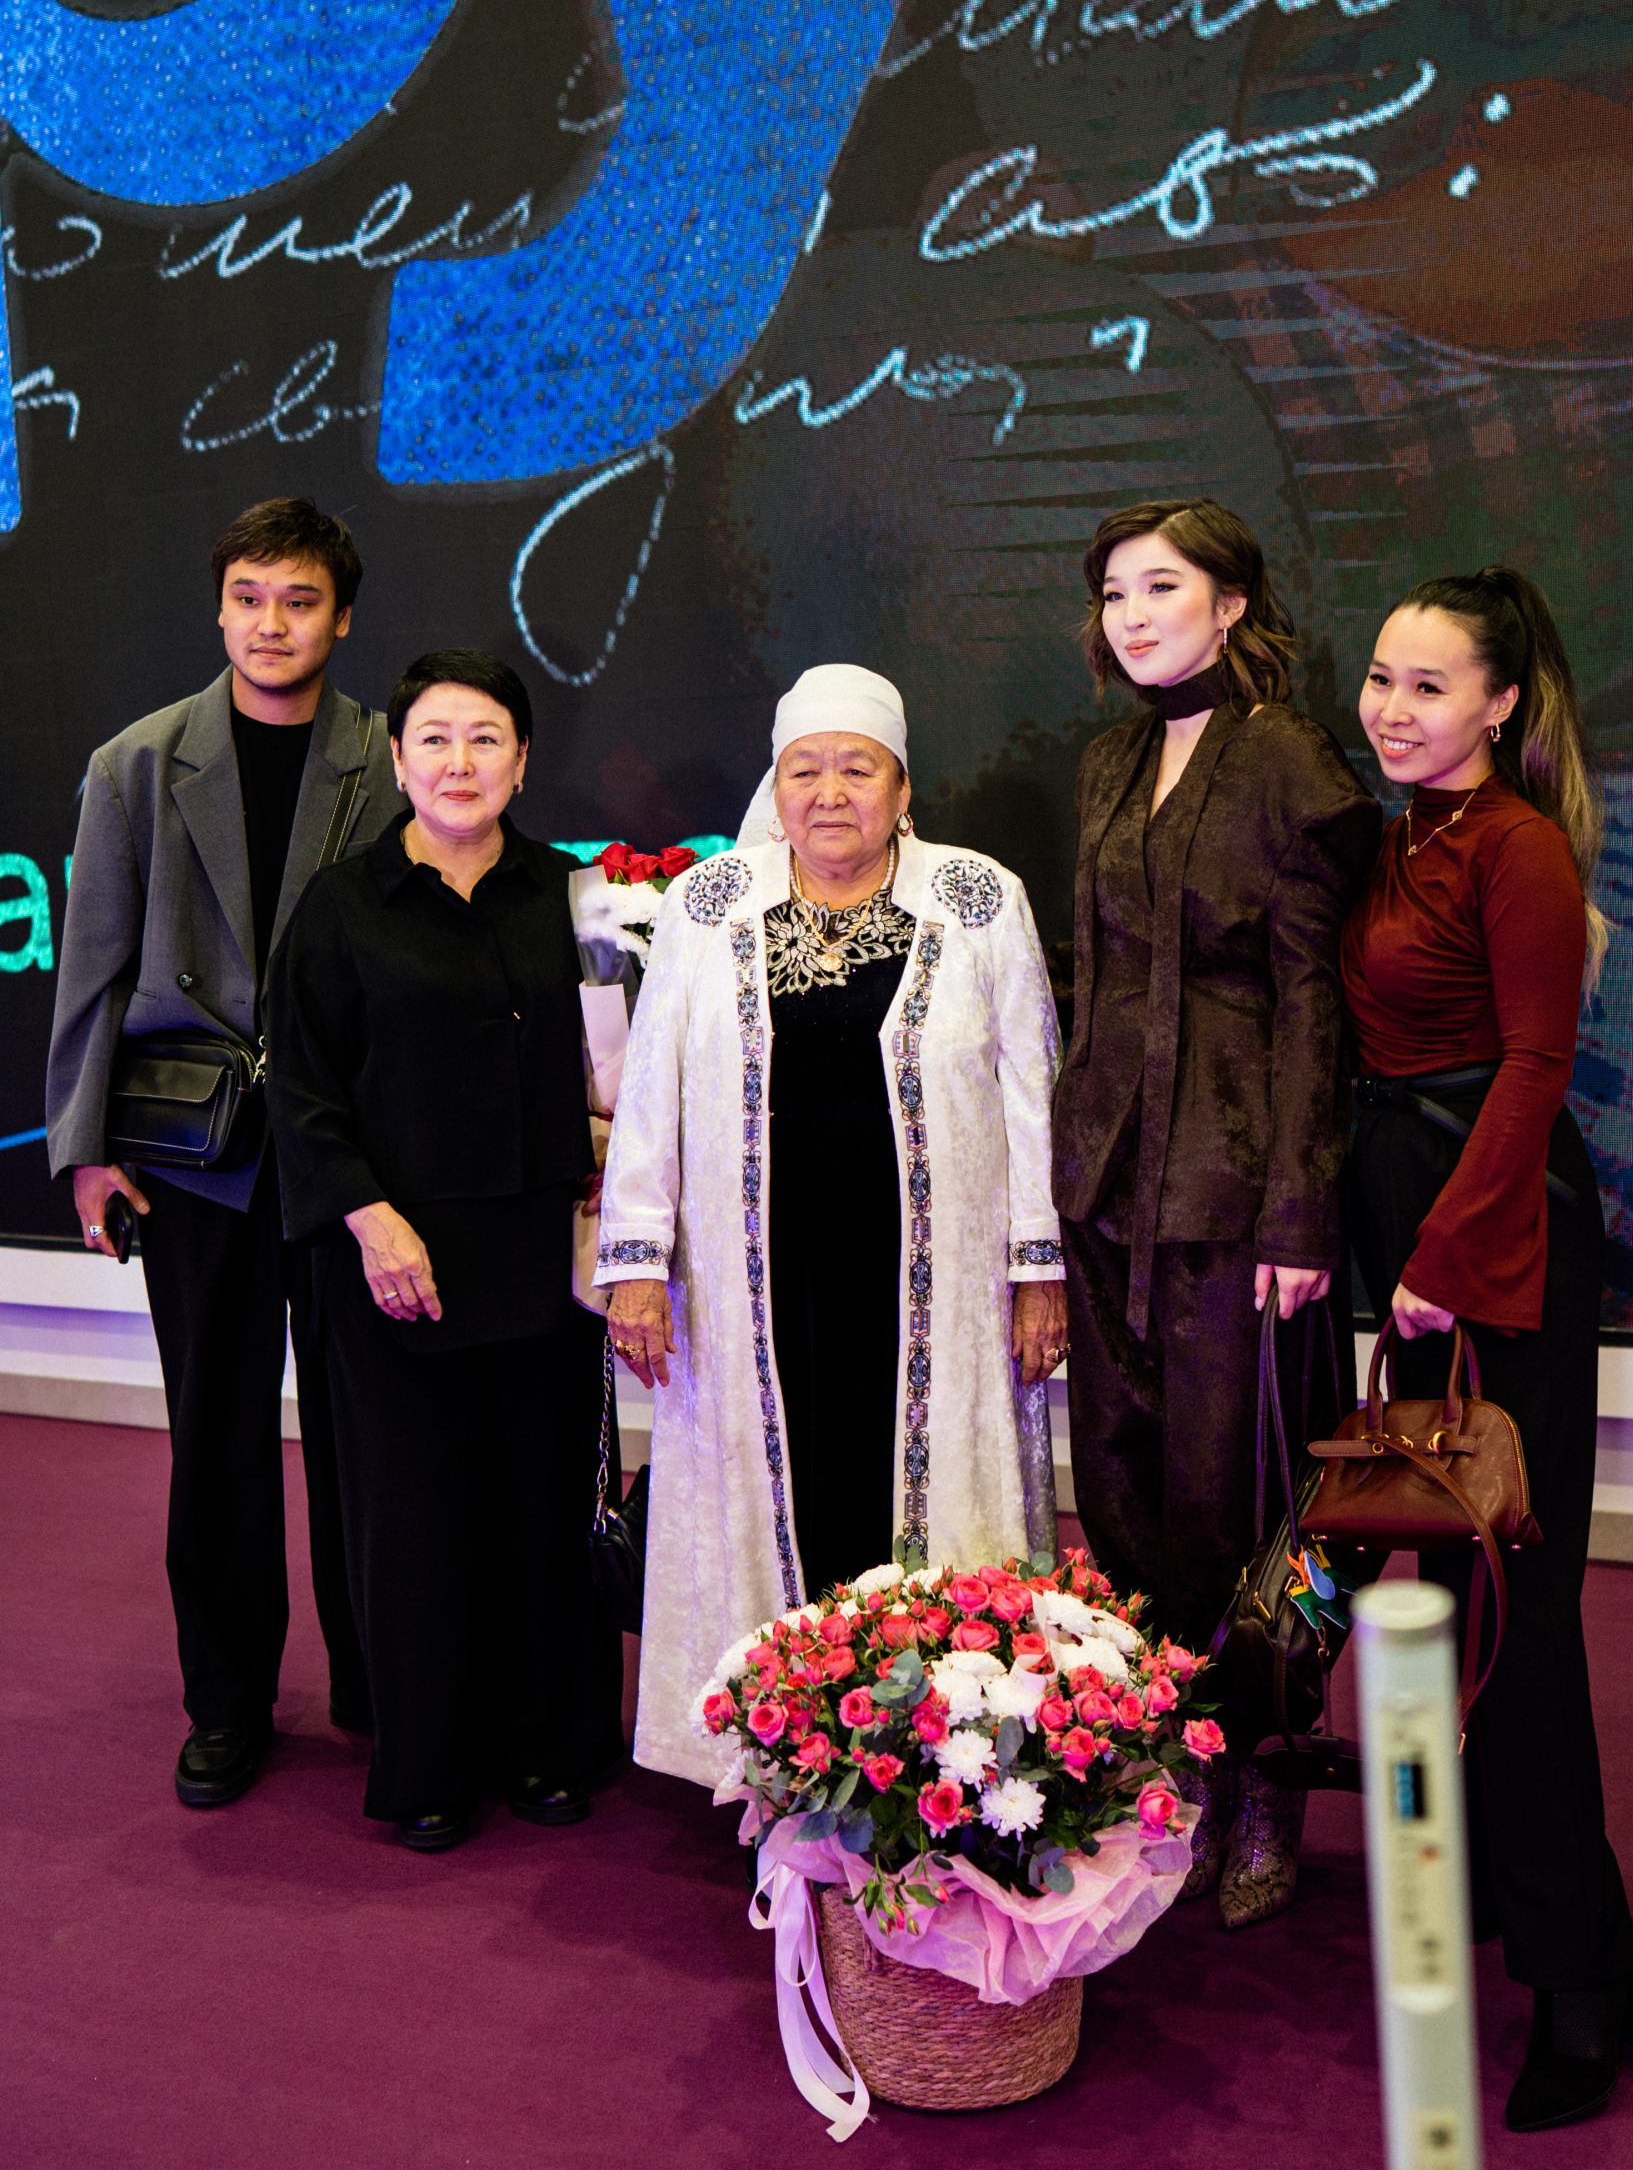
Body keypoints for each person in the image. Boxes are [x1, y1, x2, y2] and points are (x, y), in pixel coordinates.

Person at [595, 663, 1064, 1788]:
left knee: (924, 1503)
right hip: (758, 1283)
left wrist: (1038, 1266)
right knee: (773, 1493)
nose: (830, 792)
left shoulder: (979, 898)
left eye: (858, 768)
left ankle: (937, 1756)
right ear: (777, 783)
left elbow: (1034, 1091)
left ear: (903, 787)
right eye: (804, 769)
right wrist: (637, 1261)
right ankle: (778, 1755)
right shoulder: (710, 904)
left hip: (935, 1286)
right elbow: (651, 1089)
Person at [1341, 567, 1633, 2134]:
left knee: (1512, 1627)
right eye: (1379, 678)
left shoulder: (1516, 845)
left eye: (1426, 685)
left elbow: (1534, 1064)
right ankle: (1577, 1941)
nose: (1390, 708)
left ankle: (1578, 1997)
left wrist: (1445, 1257)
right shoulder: (1407, 831)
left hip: (1498, 1250)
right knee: (1451, 1598)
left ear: (1497, 703)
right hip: (1419, 1239)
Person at [1054, 500, 1380, 1927]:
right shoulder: (1108, 759)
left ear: (1231, 601)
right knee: (1124, 1490)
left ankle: (1267, 1776)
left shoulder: (1290, 761)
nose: (1131, 615)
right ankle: (1168, 1762)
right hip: (1110, 1185)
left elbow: (1317, 1008)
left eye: (1161, 587)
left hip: (1241, 1196)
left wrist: (1299, 1212)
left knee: (1251, 1502)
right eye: (1114, 592)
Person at [46, 495, 398, 1809]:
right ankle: (228, 1702)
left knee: (367, 1434)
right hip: (194, 1155)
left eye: (299, 601)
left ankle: (376, 1680)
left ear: (341, 618)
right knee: (216, 1436)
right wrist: (88, 1150)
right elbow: (92, 969)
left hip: (350, 1152)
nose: (270, 623)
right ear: (219, 607)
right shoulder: (133, 764)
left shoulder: (387, 756)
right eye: (249, 597)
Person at [264, 650, 621, 1852]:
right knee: (413, 1521)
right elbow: (303, 1092)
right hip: (393, 1266)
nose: (459, 762)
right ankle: (426, 1764)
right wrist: (373, 1220)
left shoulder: (577, 898)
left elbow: (620, 1063)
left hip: (543, 1262)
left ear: (522, 760)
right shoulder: (340, 904)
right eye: (434, 738)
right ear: (398, 757)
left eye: (485, 739)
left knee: (540, 1509)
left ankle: (552, 1745)